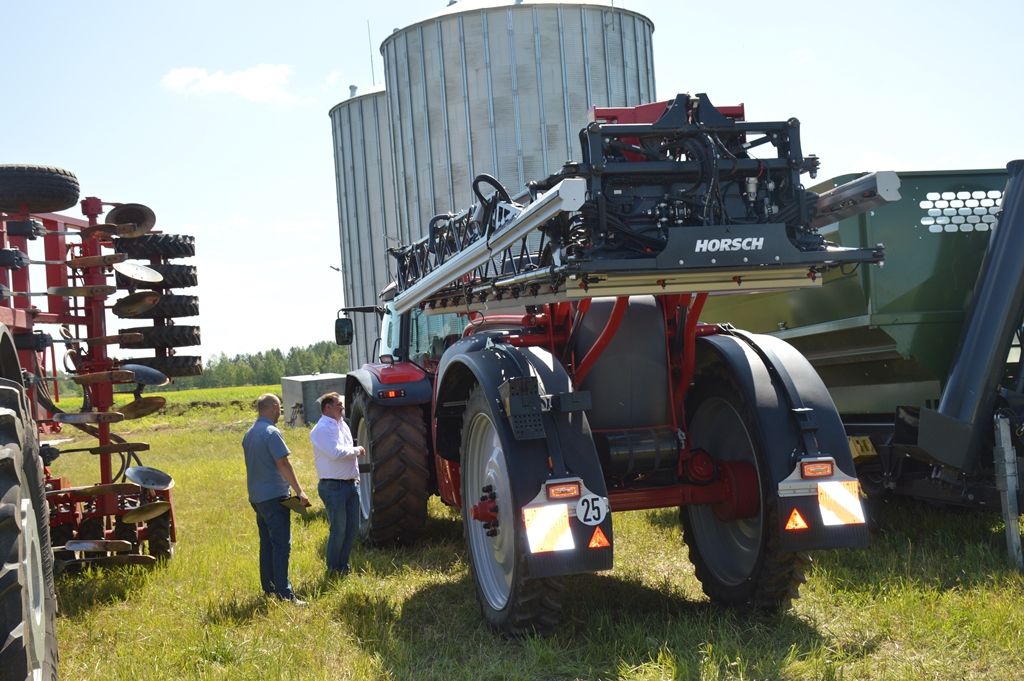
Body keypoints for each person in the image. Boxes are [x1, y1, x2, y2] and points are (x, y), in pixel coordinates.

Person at [242, 393, 310, 603]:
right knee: (281, 545)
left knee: (267, 544)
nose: (280, 413)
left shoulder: (249, 434)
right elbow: (283, 464)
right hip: (275, 497)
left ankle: (269, 587)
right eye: (279, 408)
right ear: (271, 408)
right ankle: (285, 593)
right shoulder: (271, 433)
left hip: (257, 498)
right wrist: (299, 491)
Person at [310, 392, 364, 576]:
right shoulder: (321, 429)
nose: (342, 407)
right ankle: (334, 569)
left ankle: (343, 566)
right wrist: (357, 450)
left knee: (352, 528)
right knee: (339, 529)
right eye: (339, 405)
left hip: (350, 485)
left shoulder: (343, 426)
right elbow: (335, 452)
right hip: (333, 487)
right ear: (327, 407)